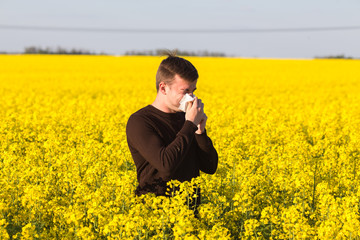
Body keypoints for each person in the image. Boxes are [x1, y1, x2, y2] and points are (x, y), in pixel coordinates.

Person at [126, 52, 218, 206]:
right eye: (185, 91)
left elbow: (210, 167)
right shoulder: (140, 122)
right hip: (155, 218)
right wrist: (189, 125)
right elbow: (166, 165)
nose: (191, 97)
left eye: (193, 91)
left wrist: (200, 131)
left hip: (189, 219)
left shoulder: (187, 118)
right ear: (163, 88)